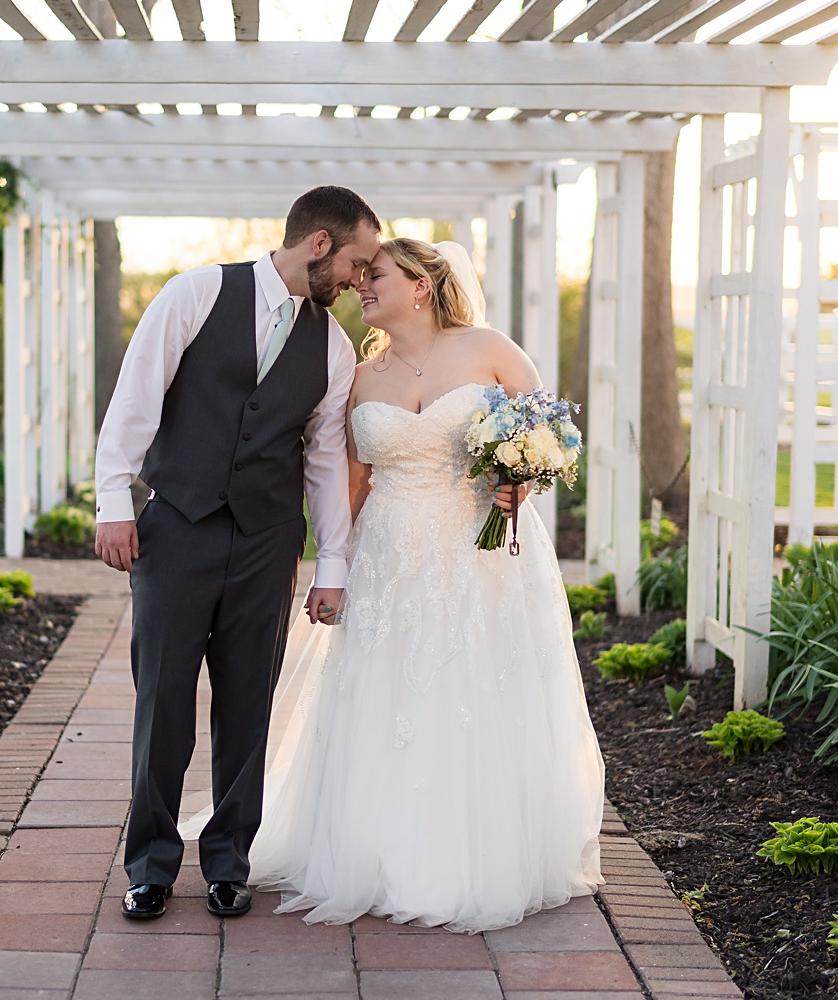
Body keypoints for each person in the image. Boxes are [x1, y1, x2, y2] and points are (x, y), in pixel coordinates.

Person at [249, 238, 606, 933]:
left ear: (419, 284)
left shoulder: (489, 348)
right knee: (388, 692)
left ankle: (472, 856)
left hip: (480, 556)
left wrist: (519, 485)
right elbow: (352, 480)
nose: (360, 287)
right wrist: (334, 566)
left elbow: (549, 436)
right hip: (389, 553)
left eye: (373, 275)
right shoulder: (359, 375)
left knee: (473, 689)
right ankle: (378, 853)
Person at [93, 186, 383, 920]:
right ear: (318, 243)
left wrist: (333, 565)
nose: (359, 279)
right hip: (177, 527)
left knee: (248, 702)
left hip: (266, 542)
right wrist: (114, 503)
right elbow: (135, 400)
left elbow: (322, 461)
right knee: (162, 700)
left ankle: (229, 861)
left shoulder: (335, 348)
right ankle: (150, 866)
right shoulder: (195, 293)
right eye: (355, 262)